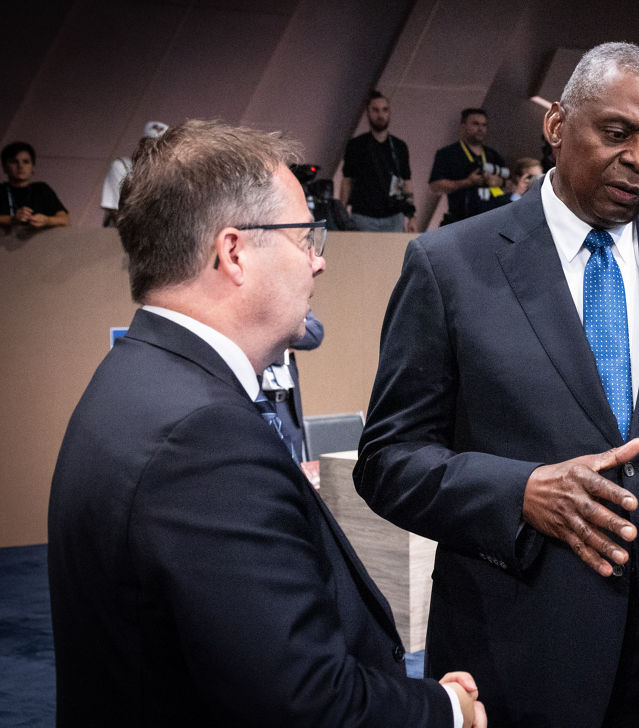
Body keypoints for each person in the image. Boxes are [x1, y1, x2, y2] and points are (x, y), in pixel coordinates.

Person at [355, 41, 639, 728]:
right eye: (617, 134)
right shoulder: (449, 266)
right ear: (557, 124)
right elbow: (388, 459)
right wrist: (519, 494)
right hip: (518, 660)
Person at [47, 119, 484, 727]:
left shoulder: (133, 378)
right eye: (305, 237)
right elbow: (303, 699)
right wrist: (447, 710)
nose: (318, 262)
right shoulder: (204, 440)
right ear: (233, 253)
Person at [341, 90, 417, 233]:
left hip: (394, 214)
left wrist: (411, 216)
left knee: (394, 248)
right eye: (375, 110)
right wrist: (342, 213)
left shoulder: (399, 146)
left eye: (384, 110)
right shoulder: (356, 145)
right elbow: (347, 180)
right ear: (368, 113)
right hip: (363, 214)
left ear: (389, 113)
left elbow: (406, 181)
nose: (380, 115)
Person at [260, 309, 324, 463]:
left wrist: (273, 338)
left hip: (287, 403)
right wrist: (286, 338)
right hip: (256, 399)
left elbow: (315, 333)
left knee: (294, 463)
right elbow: (249, 334)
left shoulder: (290, 297)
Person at [429, 108, 511, 224]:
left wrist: (499, 182)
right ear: (463, 126)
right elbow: (435, 186)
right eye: (475, 124)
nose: (480, 129)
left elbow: (512, 185)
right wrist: (467, 182)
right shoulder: (448, 153)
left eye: (484, 125)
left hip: (489, 221)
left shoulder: (493, 155)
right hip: (459, 220)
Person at [101, 120, 168, 227]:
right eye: (148, 144)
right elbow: (116, 211)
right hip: (121, 232)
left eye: (159, 146)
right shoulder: (122, 166)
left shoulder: (168, 177)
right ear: (141, 145)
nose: (152, 150)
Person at [1, 141, 69, 230]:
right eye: (14, 162)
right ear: (5, 167)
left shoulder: (41, 189)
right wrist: (12, 219)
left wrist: (47, 220)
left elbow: (65, 220)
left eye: (26, 162)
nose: (20, 166)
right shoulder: (1, 190)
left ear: (33, 167)